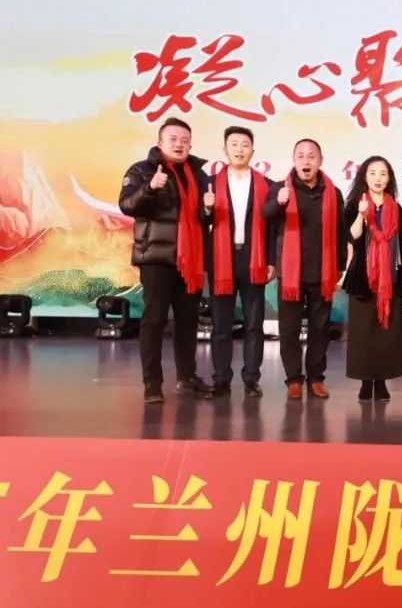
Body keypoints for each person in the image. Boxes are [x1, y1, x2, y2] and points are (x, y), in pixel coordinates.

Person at [118, 116, 213, 403]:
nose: (179, 144)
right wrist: (150, 188)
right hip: (156, 258)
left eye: (185, 140)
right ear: (160, 142)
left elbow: (202, 218)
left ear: (190, 145)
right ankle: (152, 384)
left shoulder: (198, 176)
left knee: (188, 321)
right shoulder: (142, 170)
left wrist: (209, 210)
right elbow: (127, 205)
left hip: (190, 261)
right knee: (155, 320)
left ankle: (187, 378)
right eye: (173, 139)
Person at [262, 139, 346, 400]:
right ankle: (293, 380)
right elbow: (266, 220)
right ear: (294, 160)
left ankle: (316, 379)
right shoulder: (280, 189)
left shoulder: (333, 192)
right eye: (300, 156)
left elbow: (341, 231)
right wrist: (277, 202)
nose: (306, 161)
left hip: (322, 271)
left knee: (320, 329)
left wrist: (340, 265)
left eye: (311, 156)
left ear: (320, 160)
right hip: (290, 273)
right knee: (289, 329)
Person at [205, 126, 275, 399]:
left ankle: (251, 380)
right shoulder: (210, 183)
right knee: (221, 325)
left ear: (252, 151)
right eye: (234, 144)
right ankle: (221, 379)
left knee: (254, 324)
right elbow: (199, 220)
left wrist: (271, 260)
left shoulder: (266, 185)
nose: (239, 149)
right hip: (222, 259)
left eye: (245, 145)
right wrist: (207, 208)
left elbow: (272, 227)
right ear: (224, 150)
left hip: (253, 258)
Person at [342, 156, 402, 401]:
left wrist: (400, 270)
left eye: (383, 173)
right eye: (373, 173)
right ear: (364, 177)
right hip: (363, 275)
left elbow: (400, 243)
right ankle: (365, 381)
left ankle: (381, 381)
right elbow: (352, 237)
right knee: (363, 332)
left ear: (389, 178)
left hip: (390, 275)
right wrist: (361, 215)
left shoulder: (395, 207)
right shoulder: (354, 205)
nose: (378, 178)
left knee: (386, 330)